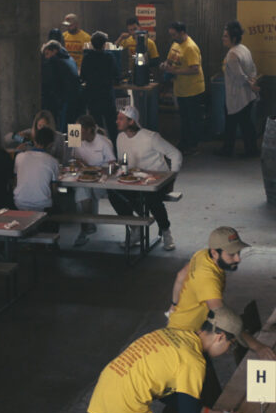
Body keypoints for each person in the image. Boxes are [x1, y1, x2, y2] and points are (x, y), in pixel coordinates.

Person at [87, 308, 245, 413]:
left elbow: (166, 392)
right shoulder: (193, 361)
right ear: (220, 337)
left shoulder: (173, 333)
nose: (226, 352)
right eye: (230, 346)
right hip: (125, 412)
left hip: (103, 396)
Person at [169, 227, 276, 405]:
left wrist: (174, 304)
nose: (238, 258)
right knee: (193, 390)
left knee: (198, 385)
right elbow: (226, 322)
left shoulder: (202, 255)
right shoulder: (208, 280)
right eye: (232, 255)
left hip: (181, 324)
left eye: (238, 253)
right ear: (215, 253)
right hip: (186, 336)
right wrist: (257, 346)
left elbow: (180, 276)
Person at [111, 106, 179, 251]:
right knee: (113, 193)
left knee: (150, 197)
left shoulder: (151, 137)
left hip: (158, 181)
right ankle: (135, 228)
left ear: (131, 121)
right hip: (135, 181)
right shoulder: (120, 138)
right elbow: (122, 162)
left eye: (120, 119)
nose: (116, 121)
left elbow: (176, 154)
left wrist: (172, 178)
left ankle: (166, 232)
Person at [68, 115, 115, 247]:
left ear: (89, 130)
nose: (76, 131)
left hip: (101, 180)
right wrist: (79, 162)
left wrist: (103, 171)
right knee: (82, 188)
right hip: (84, 177)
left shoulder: (103, 142)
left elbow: (112, 163)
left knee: (83, 190)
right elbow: (72, 158)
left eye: (80, 129)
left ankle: (86, 227)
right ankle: (86, 227)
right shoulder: (75, 136)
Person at [161, 21, 206, 155]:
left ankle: (193, 145)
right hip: (180, 89)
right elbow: (169, 60)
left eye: (174, 34)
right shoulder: (176, 44)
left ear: (182, 33)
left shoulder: (190, 47)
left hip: (193, 89)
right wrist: (164, 65)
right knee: (184, 118)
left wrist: (175, 71)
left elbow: (194, 69)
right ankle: (184, 142)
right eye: (171, 34)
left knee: (192, 119)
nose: (172, 37)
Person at [218, 21, 259, 158]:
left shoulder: (232, 55)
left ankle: (230, 150)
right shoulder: (244, 49)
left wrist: (249, 82)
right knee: (245, 124)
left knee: (236, 124)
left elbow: (240, 76)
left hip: (237, 96)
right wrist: (252, 80)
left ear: (233, 38)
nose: (223, 38)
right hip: (247, 95)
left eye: (225, 36)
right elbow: (253, 68)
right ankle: (248, 149)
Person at [80, 31, 119, 137]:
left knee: (97, 127)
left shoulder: (87, 57)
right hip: (107, 96)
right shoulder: (109, 57)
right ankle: (115, 149)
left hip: (93, 97)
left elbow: (82, 77)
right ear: (104, 44)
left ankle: (100, 148)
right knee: (112, 126)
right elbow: (116, 75)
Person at [13, 127, 60, 212]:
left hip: (20, 204)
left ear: (34, 141)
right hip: (42, 206)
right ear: (51, 144)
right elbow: (54, 189)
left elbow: (16, 182)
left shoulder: (19, 157)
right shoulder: (53, 161)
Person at [40, 39, 80, 130]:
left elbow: (48, 83)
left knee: (62, 129)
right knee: (73, 127)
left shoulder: (54, 61)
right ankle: (74, 144)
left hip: (64, 100)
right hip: (76, 98)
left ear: (54, 51)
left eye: (47, 53)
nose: (46, 57)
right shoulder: (70, 58)